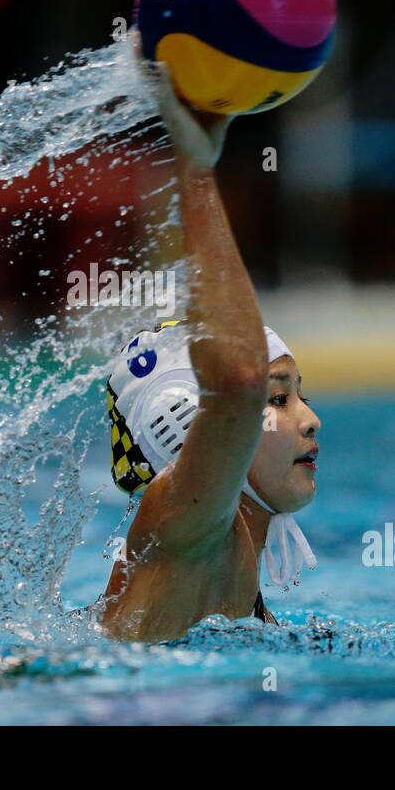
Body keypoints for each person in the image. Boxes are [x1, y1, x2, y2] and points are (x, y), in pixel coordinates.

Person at [94, 43, 322, 644]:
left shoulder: (226, 559)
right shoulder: (184, 526)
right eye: (278, 400)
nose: (310, 419)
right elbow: (238, 382)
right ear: (184, 423)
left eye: (298, 395)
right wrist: (196, 169)